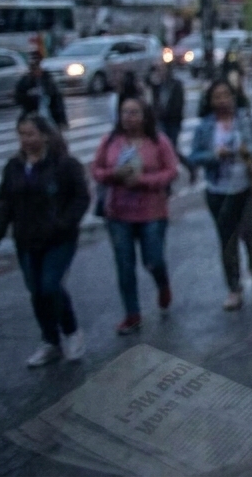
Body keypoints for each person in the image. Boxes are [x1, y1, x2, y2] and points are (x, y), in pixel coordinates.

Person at [0, 114, 90, 367]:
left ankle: (71, 331)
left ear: (45, 135)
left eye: (31, 134)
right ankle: (50, 341)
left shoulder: (63, 164)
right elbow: (4, 205)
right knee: (36, 291)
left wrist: (64, 222)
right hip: (27, 239)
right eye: (22, 134)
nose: (25, 140)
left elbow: (81, 197)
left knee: (50, 285)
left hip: (58, 239)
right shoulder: (14, 166)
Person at [91, 96, 178, 335]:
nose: (128, 118)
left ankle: (163, 284)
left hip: (151, 210)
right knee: (124, 265)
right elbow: (96, 169)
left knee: (153, 259)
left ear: (144, 115)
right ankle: (132, 314)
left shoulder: (158, 141)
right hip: (118, 213)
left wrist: (144, 180)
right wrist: (113, 175)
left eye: (134, 112)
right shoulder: (111, 141)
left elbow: (171, 171)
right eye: (124, 112)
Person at [188, 79, 252, 311]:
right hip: (219, 192)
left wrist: (251, 151)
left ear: (234, 96)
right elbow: (194, 156)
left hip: (249, 187)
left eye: (226, 95)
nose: (222, 100)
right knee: (227, 242)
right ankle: (233, 288)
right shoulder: (205, 126)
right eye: (217, 96)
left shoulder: (248, 118)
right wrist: (213, 155)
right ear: (210, 100)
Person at [15, 52, 67, 129]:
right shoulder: (26, 81)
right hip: (33, 117)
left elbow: (57, 100)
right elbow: (19, 97)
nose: (36, 71)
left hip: (49, 116)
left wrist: (61, 120)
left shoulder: (48, 80)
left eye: (37, 68)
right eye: (33, 68)